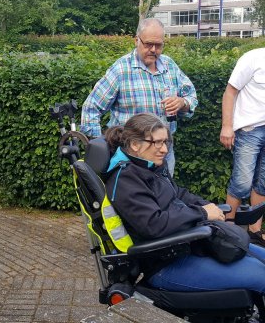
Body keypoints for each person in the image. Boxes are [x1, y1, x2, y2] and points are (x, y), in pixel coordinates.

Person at [104, 112, 265, 321]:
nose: (164, 149)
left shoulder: (149, 166)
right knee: (261, 275)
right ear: (135, 144)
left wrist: (207, 205)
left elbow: (178, 194)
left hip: (188, 246)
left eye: (166, 142)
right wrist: (202, 213)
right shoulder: (125, 180)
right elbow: (154, 224)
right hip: (166, 264)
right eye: (157, 142)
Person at [80, 18, 197, 176]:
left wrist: (182, 103)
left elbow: (191, 96)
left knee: (165, 191)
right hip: (131, 157)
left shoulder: (169, 66)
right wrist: (101, 148)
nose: (153, 50)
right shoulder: (121, 69)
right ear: (137, 40)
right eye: (148, 44)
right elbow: (91, 108)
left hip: (164, 153)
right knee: (133, 193)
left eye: (158, 45)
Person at [220, 48, 265, 247]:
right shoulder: (253, 58)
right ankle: (228, 229)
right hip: (249, 130)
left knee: (263, 183)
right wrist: (227, 126)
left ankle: (255, 232)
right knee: (242, 182)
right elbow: (230, 92)